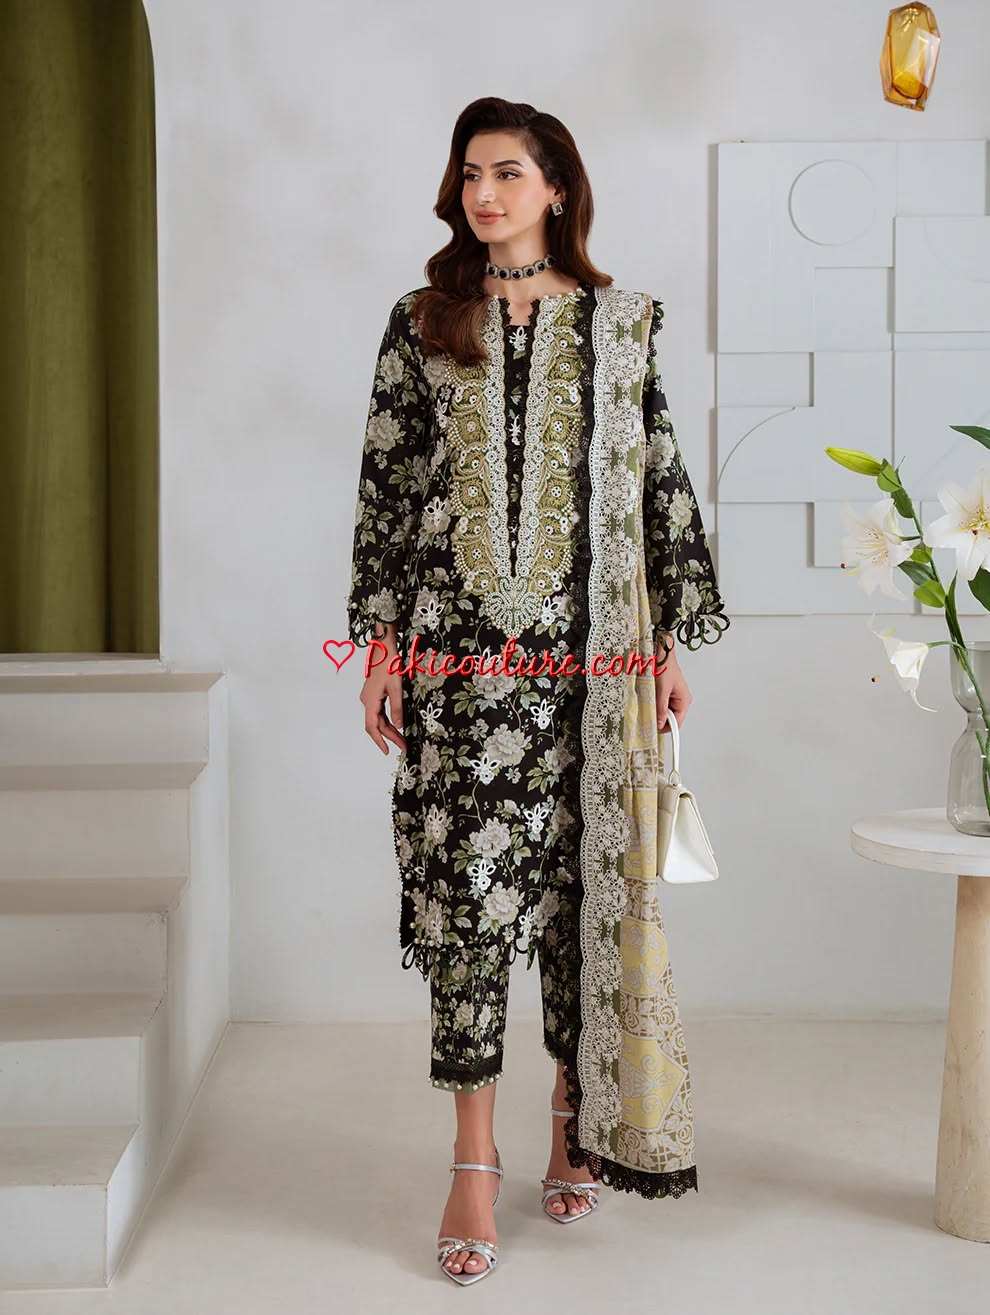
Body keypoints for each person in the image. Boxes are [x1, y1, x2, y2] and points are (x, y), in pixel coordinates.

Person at [345, 96, 729, 1286]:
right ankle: (473, 1158)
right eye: (470, 174)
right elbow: (389, 485)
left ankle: (573, 1115)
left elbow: (657, 477)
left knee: (576, 892)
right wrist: (384, 643)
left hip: (590, 659)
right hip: (461, 661)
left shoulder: (623, 323)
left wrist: (666, 644)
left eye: (508, 172)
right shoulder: (424, 322)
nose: (484, 194)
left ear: (557, 185)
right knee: (467, 900)